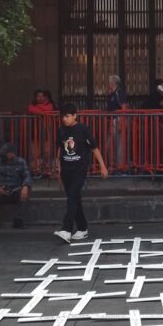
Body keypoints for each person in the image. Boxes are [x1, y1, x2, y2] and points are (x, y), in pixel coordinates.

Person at [54, 102, 108, 243]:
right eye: (62, 117)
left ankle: (66, 229)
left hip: (79, 169)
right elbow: (59, 150)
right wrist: (58, 168)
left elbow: (94, 148)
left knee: (72, 197)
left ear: (74, 116)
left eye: (67, 116)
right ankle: (82, 228)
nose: (64, 119)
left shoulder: (83, 129)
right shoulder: (61, 131)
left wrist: (102, 166)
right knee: (74, 198)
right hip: (66, 169)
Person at [0, 142, 32, 230]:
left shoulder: (20, 162)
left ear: (11, 154)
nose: (3, 155)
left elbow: (27, 176)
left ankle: (19, 220)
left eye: (5, 154)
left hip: (14, 191)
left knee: (26, 192)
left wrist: (25, 186)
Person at [106, 74, 129, 169]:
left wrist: (121, 123)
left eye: (109, 82)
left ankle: (119, 165)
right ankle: (113, 164)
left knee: (119, 144)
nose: (108, 84)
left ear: (113, 83)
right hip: (113, 120)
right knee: (111, 144)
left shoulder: (119, 93)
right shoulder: (113, 93)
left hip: (118, 119)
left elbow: (124, 107)